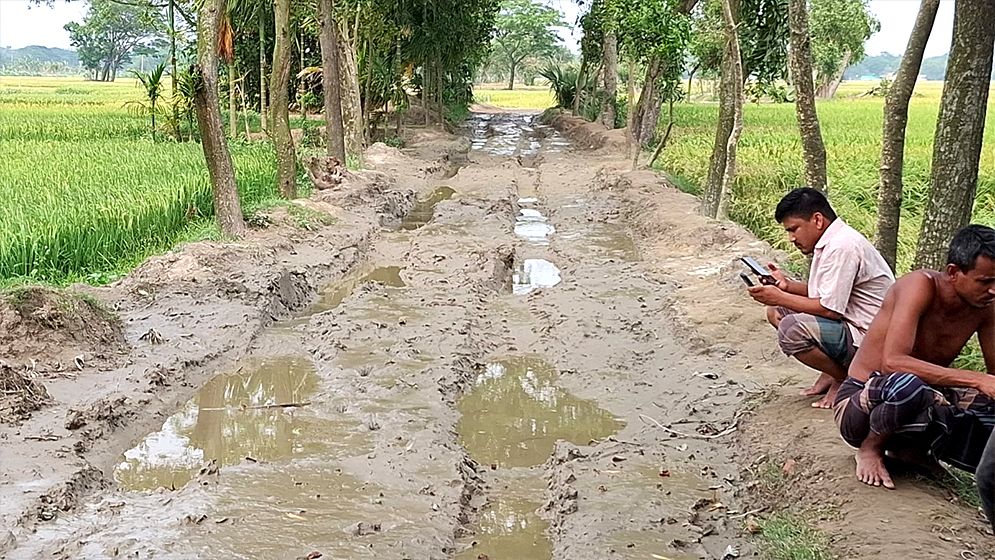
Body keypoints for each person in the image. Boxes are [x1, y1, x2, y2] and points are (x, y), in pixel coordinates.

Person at [834, 225, 995, 489]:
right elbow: (893, 362)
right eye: (985, 282)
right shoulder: (919, 286)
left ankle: (913, 450)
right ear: (953, 272)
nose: (993, 290)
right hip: (863, 403)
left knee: (987, 404)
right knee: (909, 385)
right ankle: (871, 448)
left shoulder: (986, 307)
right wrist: (976, 379)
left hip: (925, 398)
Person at [748, 188, 894, 408]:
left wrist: (780, 296)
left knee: (792, 328)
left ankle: (845, 378)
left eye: (794, 229)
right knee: (776, 312)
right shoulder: (831, 242)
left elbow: (829, 309)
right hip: (850, 325)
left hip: (869, 337)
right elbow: (827, 294)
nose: (791, 238)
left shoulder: (842, 247)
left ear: (817, 220)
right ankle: (832, 372)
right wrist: (787, 287)